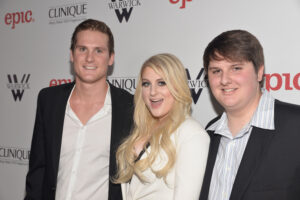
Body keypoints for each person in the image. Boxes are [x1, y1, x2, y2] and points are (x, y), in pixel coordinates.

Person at [24, 19, 133, 200]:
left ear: (111, 58)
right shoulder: (49, 100)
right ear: (72, 55)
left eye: (98, 50)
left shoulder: (129, 106)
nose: (89, 58)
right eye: (82, 49)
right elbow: (37, 171)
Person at [199, 30, 300, 200]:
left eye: (236, 68)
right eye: (216, 71)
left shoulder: (295, 126)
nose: (224, 80)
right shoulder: (207, 134)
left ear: (259, 72)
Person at [114, 53, 210, 200]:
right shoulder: (140, 130)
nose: (152, 92)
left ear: (177, 86)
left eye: (162, 83)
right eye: (146, 84)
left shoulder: (191, 133)